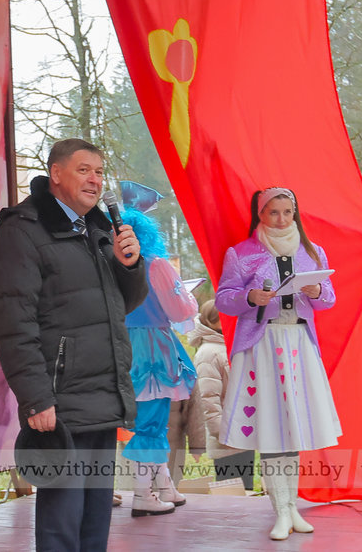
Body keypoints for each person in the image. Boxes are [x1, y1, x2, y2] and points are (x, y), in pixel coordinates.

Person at [0, 139, 147, 552]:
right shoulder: (23, 231)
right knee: (62, 519)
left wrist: (130, 266)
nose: (95, 180)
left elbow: (123, 305)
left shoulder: (99, 229)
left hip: (103, 394)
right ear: (56, 174)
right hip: (59, 402)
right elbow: (13, 323)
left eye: (99, 172)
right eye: (84, 170)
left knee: (96, 517)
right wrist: (36, 398)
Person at [215, 187, 342, 541]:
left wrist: (318, 292)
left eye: (288, 212)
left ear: (295, 213)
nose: (282, 219)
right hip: (263, 345)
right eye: (274, 212)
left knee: (293, 424)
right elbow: (223, 299)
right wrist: (249, 297)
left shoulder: (312, 252)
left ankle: (292, 506)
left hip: (299, 343)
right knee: (272, 424)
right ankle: (280, 510)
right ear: (260, 214)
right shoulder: (241, 254)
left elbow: (329, 298)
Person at [116, 197, 197, 517]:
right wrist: (187, 298)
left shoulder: (107, 265)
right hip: (152, 346)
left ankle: (164, 486)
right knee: (152, 420)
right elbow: (180, 310)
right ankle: (142, 493)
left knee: (147, 419)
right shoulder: (155, 264)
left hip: (120, 345)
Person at [189, 300, 257, 490]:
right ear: (213, 320)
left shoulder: (230, 346)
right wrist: (223, 433)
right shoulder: (209, 353)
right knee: (231, 491)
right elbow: (207, 399)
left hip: (242, 433)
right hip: (226, 438)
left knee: (245, 488)